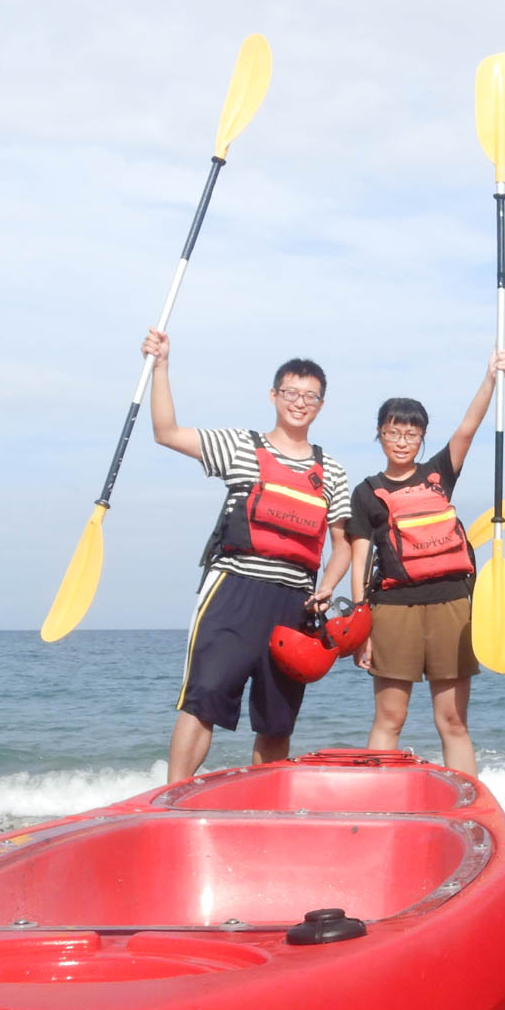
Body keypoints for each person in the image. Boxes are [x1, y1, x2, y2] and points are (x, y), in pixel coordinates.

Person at [144, 329, 353, 780]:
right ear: (274, 395)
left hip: (296, 601)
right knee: (204, 699)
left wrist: (329, 587)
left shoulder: (332, 471)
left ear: (321, 405)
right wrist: (161, 366)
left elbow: (344, 543)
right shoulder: (241, 445)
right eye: (291, 393)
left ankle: (266, 803)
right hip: (234, 589)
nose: (299, 402)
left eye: (310, 396)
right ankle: (173, 797)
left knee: (277, 719)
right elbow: (166, 433)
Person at [346, 351, 505, 775]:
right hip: (392, 611)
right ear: (380, 434)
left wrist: (491, 378)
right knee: (390, 718)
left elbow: (468, 428)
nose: (402, 441)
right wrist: (359, 628)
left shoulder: (439, 473)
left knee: (452, 720)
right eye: (393, 432)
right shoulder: (365, 493)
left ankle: (468, 801)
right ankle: (377, 802)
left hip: (451, 606)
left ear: (422, 438)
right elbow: (360, 561)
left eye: (411, 433)